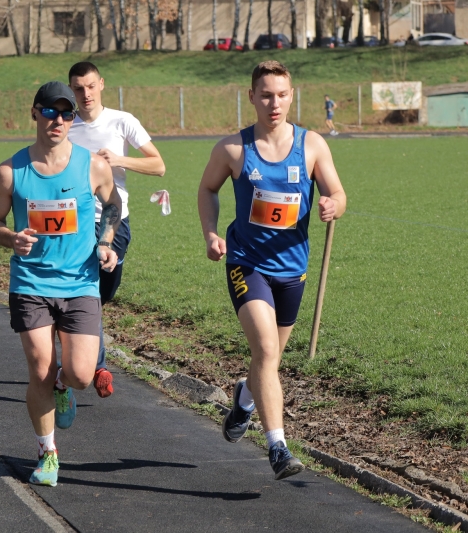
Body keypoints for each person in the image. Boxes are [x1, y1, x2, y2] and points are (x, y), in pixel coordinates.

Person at [197, 61, 346, 480]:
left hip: (292, 269)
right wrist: (211, 233)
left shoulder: (312, 144)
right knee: (264, 351)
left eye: (281, 95)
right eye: (265, 95)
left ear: (291, 95)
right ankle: (278, 446)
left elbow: (337, 191)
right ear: (251, 97)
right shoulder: (233, 149)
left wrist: (334, 204)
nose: (273, 103)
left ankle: (244, 398)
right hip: (247, 263)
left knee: (270, 360)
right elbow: (207, 188)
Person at [0, 81, 121, 487]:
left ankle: (65, 385)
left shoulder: (93, 165)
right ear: (35, 114)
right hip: (30, 282)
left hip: (80, 282)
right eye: (49, 112)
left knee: (80, 374)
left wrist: (106, 241)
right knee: (40, 367)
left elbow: (112, 204)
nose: (57, 120)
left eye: (66, 114)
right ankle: (48, 453)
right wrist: (11, 238)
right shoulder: (11, 171)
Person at [67, 61, 165, 398]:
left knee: (103, 293)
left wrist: (119, 160)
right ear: (72, 91)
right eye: (78, 88)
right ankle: (95, 367)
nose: (86, 94)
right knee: (87, 292)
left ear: (101, 84)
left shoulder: (122, 121)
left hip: (115, 218)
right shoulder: (65, 125)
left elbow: (159, 165)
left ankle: (81, 354)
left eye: (90, 86)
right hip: (77, 223)